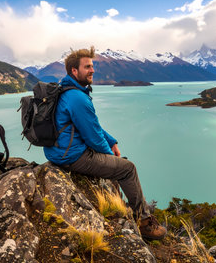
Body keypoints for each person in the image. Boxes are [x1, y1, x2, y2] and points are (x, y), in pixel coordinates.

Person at [43, 46, 167, 240]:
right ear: (74, 71)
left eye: (92, 66)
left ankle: (120, 204)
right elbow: (92, 137)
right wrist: (109, 154)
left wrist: (111, 141)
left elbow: (92, 125)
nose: (92, 70)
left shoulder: (67, 90)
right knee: (127, 168)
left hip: (57, 152)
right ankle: (145, 222)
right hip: (72, 156)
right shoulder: (77, 97)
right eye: (87, 67)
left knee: (118, 164)